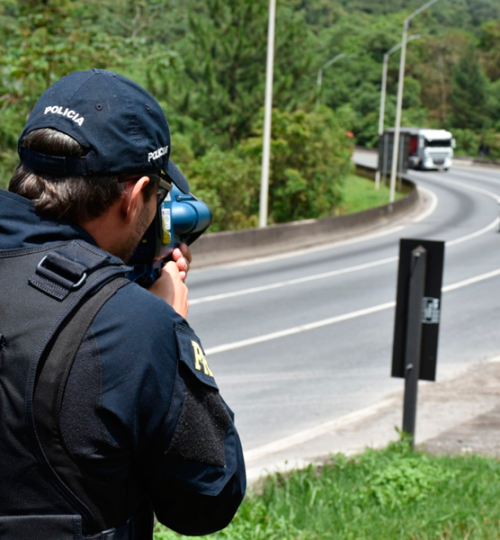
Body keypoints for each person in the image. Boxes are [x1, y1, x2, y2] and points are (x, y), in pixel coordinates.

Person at [0, 69, 246, 539]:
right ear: (134, 198)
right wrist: (163, 327)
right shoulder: (134, 327)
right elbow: (209, 499)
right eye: (158, 193)